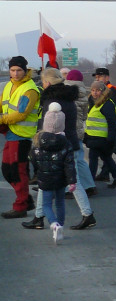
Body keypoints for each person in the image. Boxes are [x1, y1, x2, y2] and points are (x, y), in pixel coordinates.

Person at [24, 68, 95, 230]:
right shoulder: (69, 98)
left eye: (43, 82)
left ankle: (87, 214)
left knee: (65, 182)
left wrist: (40, 143)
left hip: (56, 146)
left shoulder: (52, 101)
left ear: (47, 82)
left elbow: (48, 126)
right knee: (51, 181)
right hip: (71, 142)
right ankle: (39, 217)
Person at [28, 103, 76, 244]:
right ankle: (60, 226)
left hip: (45, 179)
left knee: (46, 205)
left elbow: (33, 160)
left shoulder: (38, 142)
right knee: (60, 203)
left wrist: (36, 173)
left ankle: (53, 224)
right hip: (60, 179)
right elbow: (69, 164)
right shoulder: (66, 144)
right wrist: (72, 181)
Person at [1, 55, 41, 218]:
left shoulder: (30, 89)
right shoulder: (9, 85)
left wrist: (2, 119)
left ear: (25, 71)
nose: (15, 73)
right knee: (7, 171)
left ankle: (21, 206)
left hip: (22, 136)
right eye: (12, 70)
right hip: (10, 134)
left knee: (18, 171)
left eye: (19, 70)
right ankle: (26, 199)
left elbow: (22, 114)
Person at [63, 69, 97, 207]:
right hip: (79, 130)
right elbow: (84, 116)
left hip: (68, 130)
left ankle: (70, 188)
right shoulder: (84, 94)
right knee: (80, 159)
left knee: (69, 161)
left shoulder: (66, 92)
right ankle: (90, 185)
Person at [83, 80, 116, 188]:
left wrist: (111, 138)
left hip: (101, 138)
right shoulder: (95, 103)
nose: (94, 92)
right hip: (95, 137)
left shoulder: (106, 104)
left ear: (102, 92)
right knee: (106, 157)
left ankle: (90, 182)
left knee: (93, 158)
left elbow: (112, 123)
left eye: (97, 90)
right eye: (92, 90)